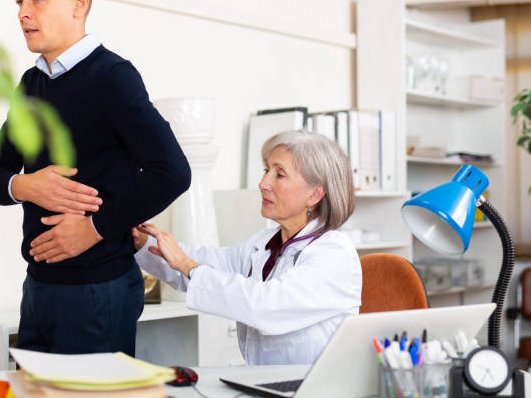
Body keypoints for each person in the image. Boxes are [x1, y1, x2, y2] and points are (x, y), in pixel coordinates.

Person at [0, 0, 191, 356]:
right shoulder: (31, 83)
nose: (23, 13)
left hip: (98, 290)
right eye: (18, 2)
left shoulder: (113, 77)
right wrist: (25, 185)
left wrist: (94, 229)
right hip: (38, 287)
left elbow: (173, 171)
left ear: (79, 4)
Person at [133, 130, 361, 365]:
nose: (263, 184)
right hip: (266, 383)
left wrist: (187, 265)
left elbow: (266, 307)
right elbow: (211, 264)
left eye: (279, 174)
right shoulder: (266, 243)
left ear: (315, 194)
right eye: (266, 170)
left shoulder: (334, 255)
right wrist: (144, 243)